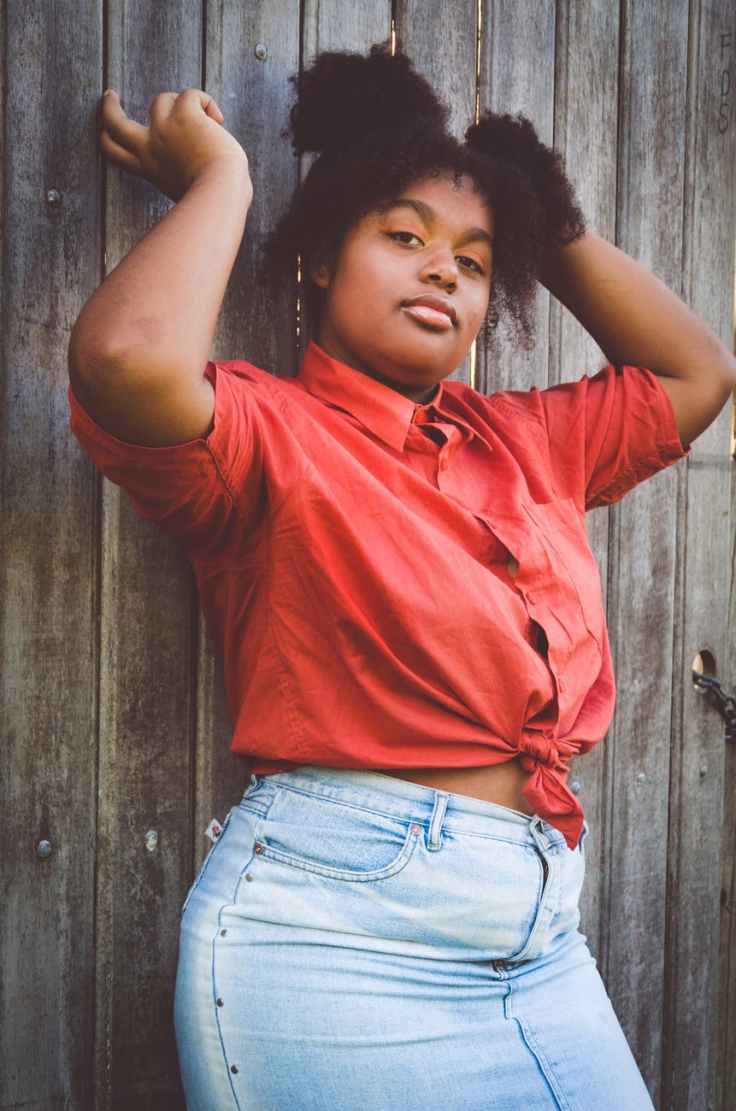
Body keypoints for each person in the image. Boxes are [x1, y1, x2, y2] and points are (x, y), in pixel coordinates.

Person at [68, 41, 734, 1111]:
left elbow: (696, 373)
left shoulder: (528, 442)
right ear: (321, 257)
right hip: (333, 945)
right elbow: (124, 362)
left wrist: (537, 223)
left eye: (473, 262)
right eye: (404, 237)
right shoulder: (262, 430)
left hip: (542, 938)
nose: (443, 271)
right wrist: (222, 179)